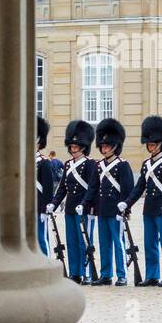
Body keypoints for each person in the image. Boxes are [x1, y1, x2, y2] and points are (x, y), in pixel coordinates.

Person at [119, 115, 162, 287]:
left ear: (161, 144)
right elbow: (139, 188)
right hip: (149, 209)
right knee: (150, 243)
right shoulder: (146, 164)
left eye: (153, 144)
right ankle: (152, 274)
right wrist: (127, 202)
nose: (150, 146)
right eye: (149, 144)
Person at [46, 119, 97, 284]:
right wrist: (54, 203)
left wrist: (84, 203)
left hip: (84, 208)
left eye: (76, 147)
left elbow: (92, 188)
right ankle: (75, 272)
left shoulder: (90, 164)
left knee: (84, 242)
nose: (73, 149)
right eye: (72, 147)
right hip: (70, 209)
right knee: (72, 242)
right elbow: (62, 188)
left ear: (83, 147)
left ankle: (87, 272)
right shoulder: (68, 165)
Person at [91, 118, 134, 286]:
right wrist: (89, 205)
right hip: (102, 209)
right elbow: (94, 188)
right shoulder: (99, 165)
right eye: (102, 145)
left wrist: (126, 209)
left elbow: (127, 189)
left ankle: (122, 274)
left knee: (118, 243)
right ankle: (106, 274)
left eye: (107, 145)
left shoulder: (123, 165)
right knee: (104, 244)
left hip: (116, 211)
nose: (104, 148)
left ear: (115, 146)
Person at [35, 116, 56, 257]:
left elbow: (48, 189)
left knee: (42, 239)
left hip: (39, 207)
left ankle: (46, 262)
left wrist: (45, 209)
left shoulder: (44, 163)